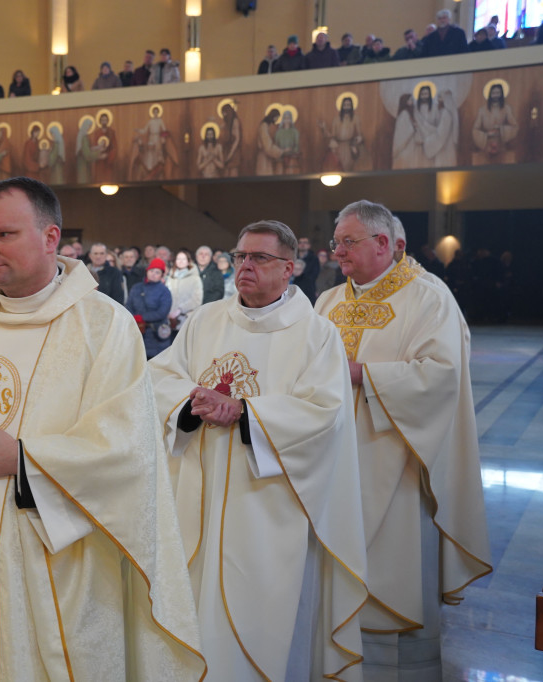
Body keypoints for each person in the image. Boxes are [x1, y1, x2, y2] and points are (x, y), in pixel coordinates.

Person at [0, 179, 204, 680]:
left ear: (50, 237)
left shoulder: (103, 326)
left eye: (3, 234)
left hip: (50, 564)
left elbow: (127, 448)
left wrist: (21, 459)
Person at [149, 220, 367, 681]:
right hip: (197, 500)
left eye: (259, 258)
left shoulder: (316, 335)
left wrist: (246, 413)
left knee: (259, 626)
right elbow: (158, 377)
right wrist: (193, 403)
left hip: (267, 510)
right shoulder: (206, 320)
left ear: (289, 268)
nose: (245, 266)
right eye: (240, 256)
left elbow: (324, 413)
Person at [315, 200, 492, 679]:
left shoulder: (428, 298)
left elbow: (442, 376)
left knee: (392, 576)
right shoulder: (329, 303)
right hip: (332, 462)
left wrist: (360, 375)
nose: (338, 253)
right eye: (336, 243)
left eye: (347, 242)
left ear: (383, 243)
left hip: (395, 461)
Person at [127, 258, 173, 358]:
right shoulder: (136, 288)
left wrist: (142, 317)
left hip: (156, 334)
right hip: (137, 330)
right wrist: (133, 318)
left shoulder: (164, 291)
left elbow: (162, 312)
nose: (153, 274)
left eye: (157, 272)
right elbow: (128, 305)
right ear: (147, 271)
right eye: (151, 271)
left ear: (161, 275)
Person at [165, 248, 202, 330]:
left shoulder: (195, 278)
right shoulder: (171, 277)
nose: (181, 261)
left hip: (186, 319)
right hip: (170, 319)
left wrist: (180, 310)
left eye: (183, 259)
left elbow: (197, 299)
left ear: (188, 261)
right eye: (178, 259)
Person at [296, 236, 319, 302]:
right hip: (294, 289)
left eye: (305, 242)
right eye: (300, 242)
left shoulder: (314, 259)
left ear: (309, 245)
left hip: (308, 291)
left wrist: (300, 274)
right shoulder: (293, 257)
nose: (302, 244)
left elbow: (314, 275)